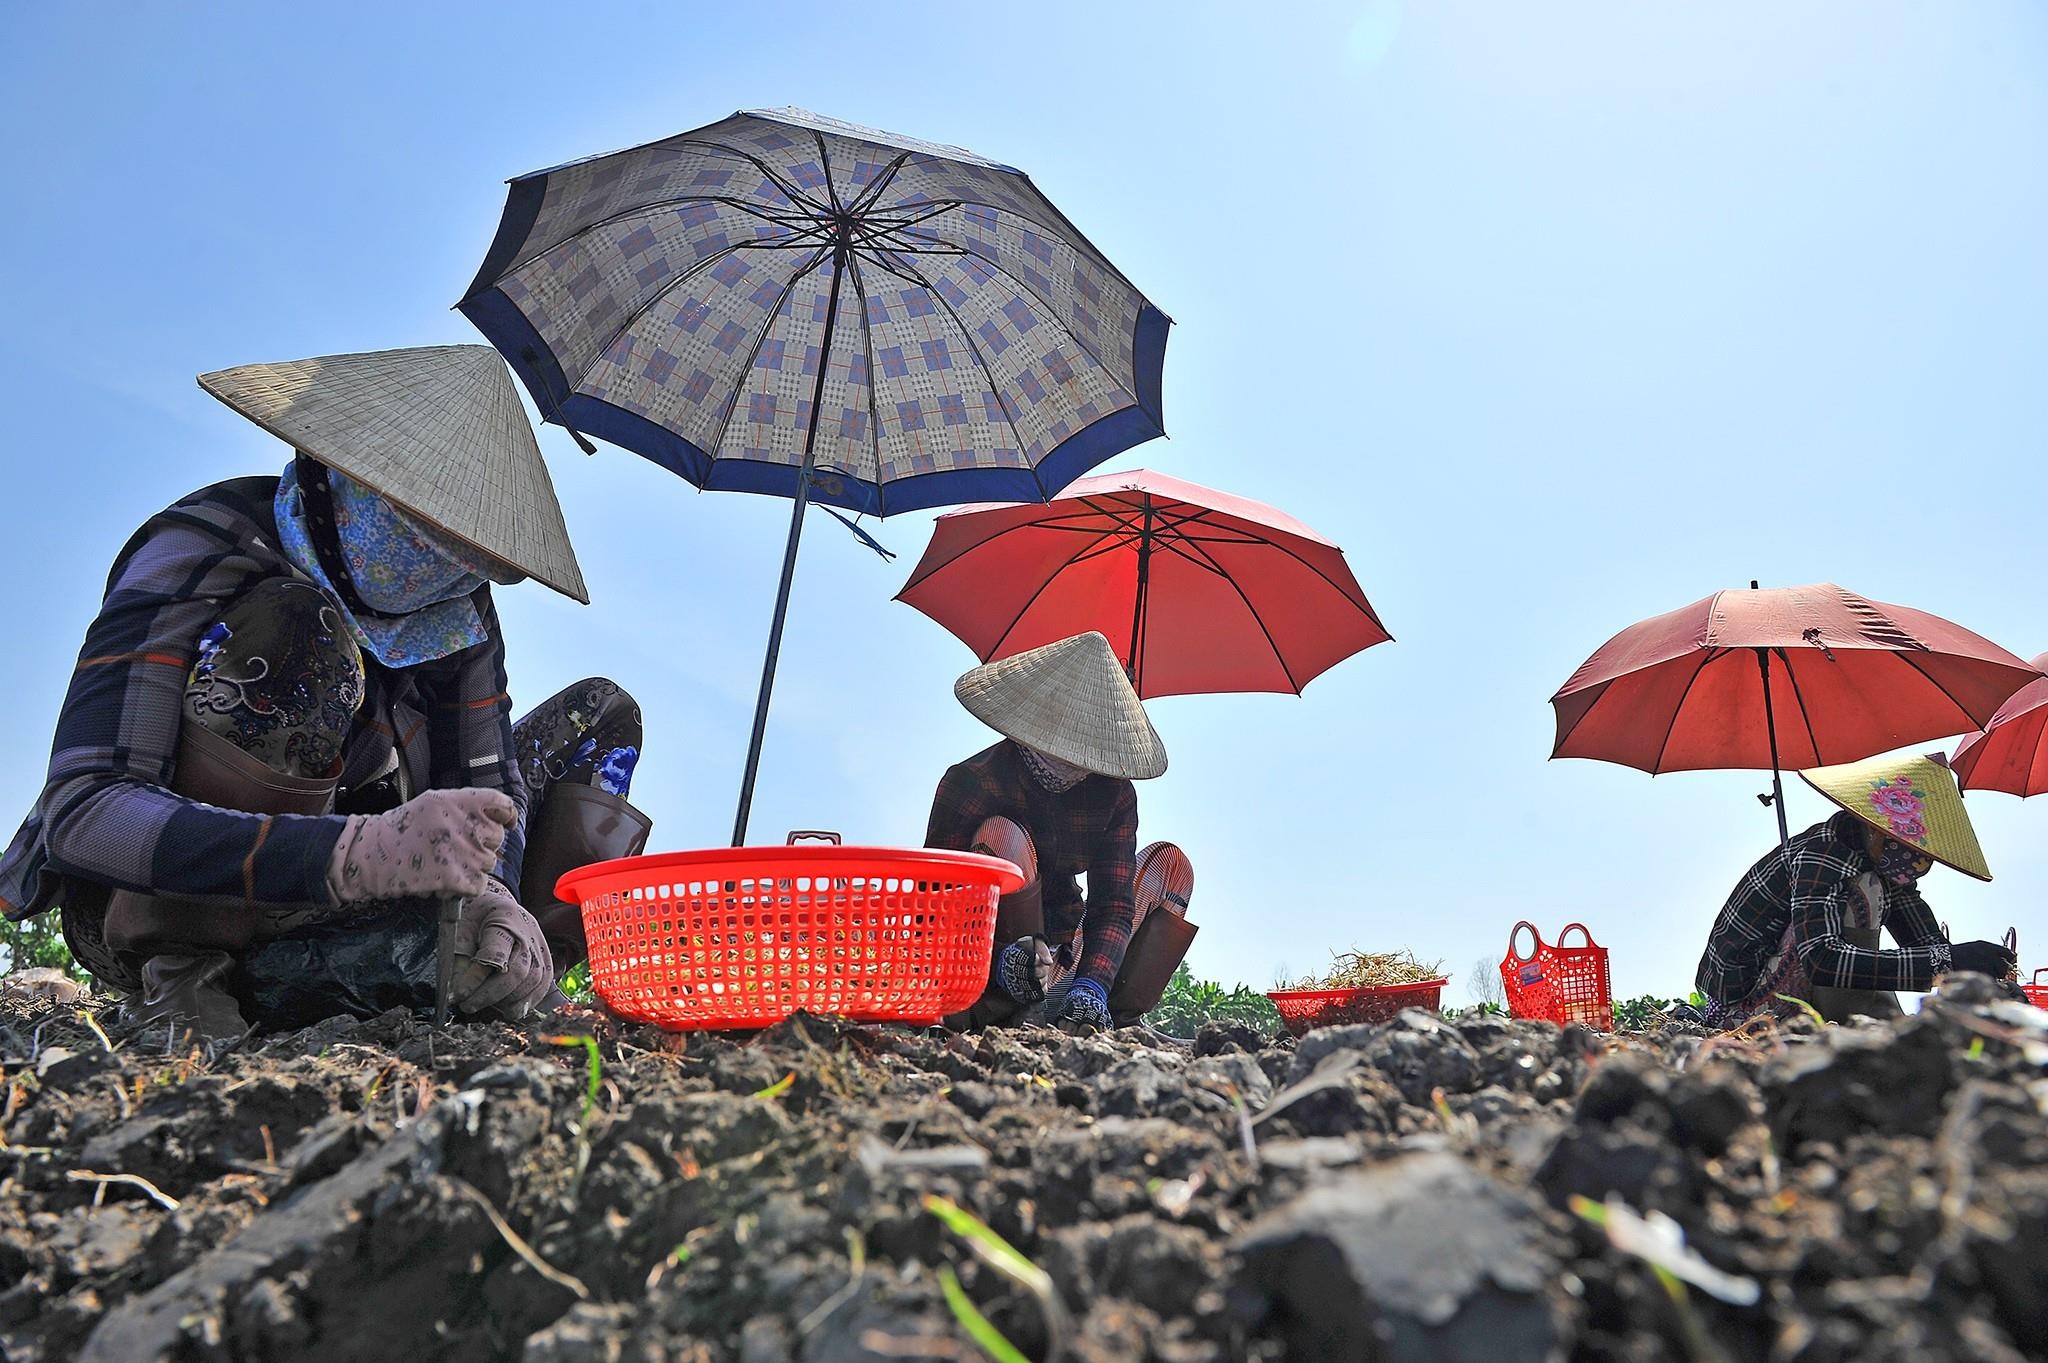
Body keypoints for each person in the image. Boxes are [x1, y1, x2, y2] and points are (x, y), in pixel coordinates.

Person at [0, 346, 652, 1038]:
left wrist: (496, 894)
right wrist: (352, 854)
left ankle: (506, 969)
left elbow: (487, 778)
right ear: (337, 474)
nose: (429, 570)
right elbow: (86, 809)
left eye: (459, 561)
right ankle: (187, 968)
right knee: (302, 631)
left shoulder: (458, 611)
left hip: (354, 893)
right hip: (177, 887)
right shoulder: (206, 542)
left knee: (601, 716)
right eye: (414, 532)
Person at [926, 631, 1198, 1030]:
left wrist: (1091, 983)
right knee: (1003, 835)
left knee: (1171, 865)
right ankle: (1014, 1002)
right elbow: (936, 904)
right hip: (987, 963)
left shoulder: (1114, 794)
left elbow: (1114, 905)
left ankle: (1098, 1015)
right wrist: (1003, 959)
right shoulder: (972, 782)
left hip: (1069, 953)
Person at [1694, 752, 2016, 1026]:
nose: (1918, 862)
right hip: (1742, 1005)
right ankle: (1860, 1022)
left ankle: (1874, 1020)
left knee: (1880, 894)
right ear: (1875, 830)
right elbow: (1821, 960)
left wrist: (1980, 976)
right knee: (1866, 891)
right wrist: (1945, 961)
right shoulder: (1823, 856)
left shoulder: (1883, 870)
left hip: (1787, 981)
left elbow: (1929, 946)